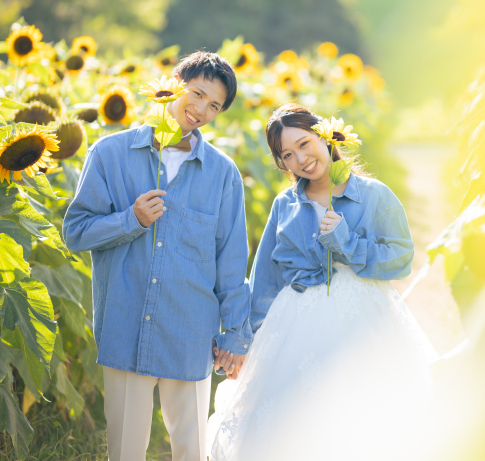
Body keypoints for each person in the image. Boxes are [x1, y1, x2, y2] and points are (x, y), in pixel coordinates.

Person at [207, 103, 438, 460]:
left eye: (304, 143)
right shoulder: (285, 204)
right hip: (296, 319)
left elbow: (402, 257)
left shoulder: (373, 194)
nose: (300, 158)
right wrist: (244, 340)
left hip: (363, 317)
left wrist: (347, 242)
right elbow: (266, 278)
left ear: (324, 135)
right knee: (297, 419)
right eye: (287, 154)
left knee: (365, 415)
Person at [63, 51, 252, 461]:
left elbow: (232, 260)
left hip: (190, 333)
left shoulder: (222, 174)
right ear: (174, 83)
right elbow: (75, 232)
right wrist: (129, 219)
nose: (200, 109)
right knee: (124, 452)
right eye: (197, 93)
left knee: (191, 450)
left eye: (214, 105)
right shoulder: (109, 154)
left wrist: (235, 334)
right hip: (125, 326)